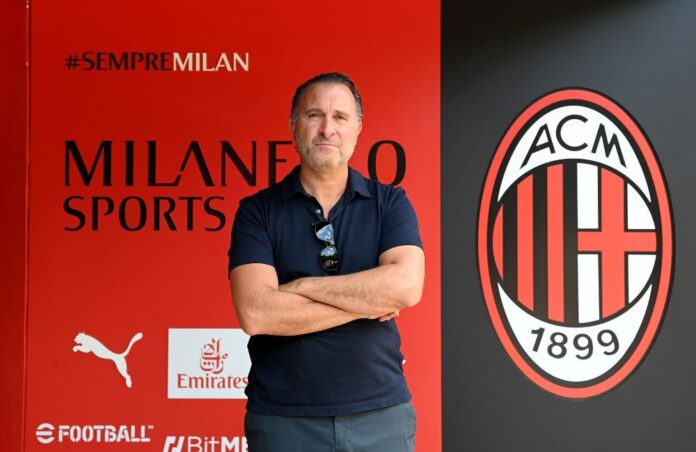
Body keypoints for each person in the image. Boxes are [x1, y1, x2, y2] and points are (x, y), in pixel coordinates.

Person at [228, 72, 425, 452]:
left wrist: (301, 287)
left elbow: (405, 287)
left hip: (380, 414)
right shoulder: (257, 212)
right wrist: (367, 301)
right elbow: (256, 312)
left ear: (357, 129)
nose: (327, 129)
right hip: (284, 420)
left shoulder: (390, 203)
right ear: (294, 126)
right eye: (314, 115)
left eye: (340, 118)